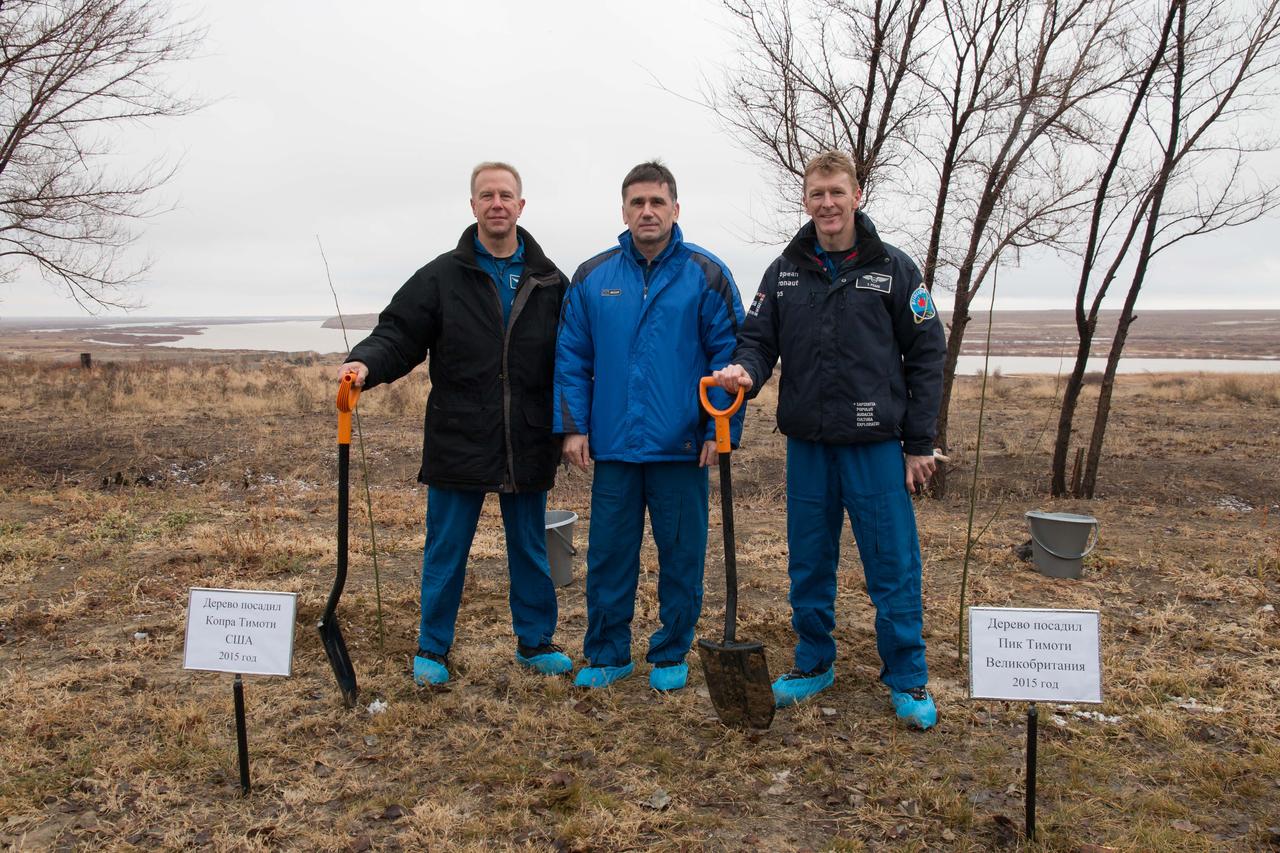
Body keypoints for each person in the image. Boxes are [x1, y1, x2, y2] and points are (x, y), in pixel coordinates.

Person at [713, 149, 946, 729]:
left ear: (857, 195)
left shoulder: (894, 269)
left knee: (892, 566)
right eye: (817, 193)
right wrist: (746, 369)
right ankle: (814, 662)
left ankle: (907, 676)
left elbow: (926, 354)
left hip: (874, 446)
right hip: (809, 446)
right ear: (806, 200)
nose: (827, 203)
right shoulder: (785, 271)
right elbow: (758, 339)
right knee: (809, 563)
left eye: (837, 191)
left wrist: (919, 442)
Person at [339, 162, 573, 686]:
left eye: (505, 195)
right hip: (458, 434)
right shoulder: (441, 276)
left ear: (521, 206)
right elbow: (398, 333)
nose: (496, 203)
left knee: (531, 548)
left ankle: (535, 642)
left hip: (528, 437)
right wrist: (365, 363)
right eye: (486, 195)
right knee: (446, 548)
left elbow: (575, 356)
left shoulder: (551, 278)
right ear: (472, 206)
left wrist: (574, 424)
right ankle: (433, 647)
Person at [555, 161, 745, 692]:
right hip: (613, 447)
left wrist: (717, 431)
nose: (647, 212)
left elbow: (730, 358)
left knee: (681, 556)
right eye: (637, 203)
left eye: (657, 202)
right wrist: (573, 427)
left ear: (675, 209)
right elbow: (572, 355)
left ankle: (670, 652)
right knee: (610, 556)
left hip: (682, 448)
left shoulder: (706, 275)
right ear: (623, 211)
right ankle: (609, 652)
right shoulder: (594, 277)